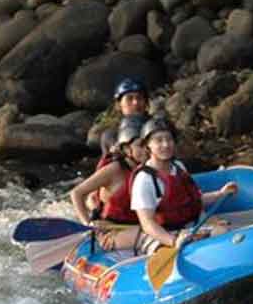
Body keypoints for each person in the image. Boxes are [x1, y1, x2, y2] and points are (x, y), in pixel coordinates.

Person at [131, 118, 238, 253]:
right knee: (218, 233)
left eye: (169, 139)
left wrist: (221, 194)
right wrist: (174, 241)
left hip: (189, 226)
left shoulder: (178, 167)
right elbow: (147, 223)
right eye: (159, 140)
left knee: (223, 231)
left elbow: (194, 200)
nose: (165, 145)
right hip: (162, 235)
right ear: (148, 145)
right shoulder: (144, 179)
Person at [69, 115, 149, 251]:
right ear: (126, 149)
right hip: (112, 232)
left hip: (139, 227)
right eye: (141, 146)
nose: (146, 150)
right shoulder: (114, 170)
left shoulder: (152, 169)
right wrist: (87, 223)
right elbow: (76, 193)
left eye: (148, 145)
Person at [95, 78, 151, 153]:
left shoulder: (158, 126)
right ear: (119, 104)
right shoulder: (110, 135)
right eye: (129, 98)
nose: (135, 102)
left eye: (139, 98)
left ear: (146, 102)